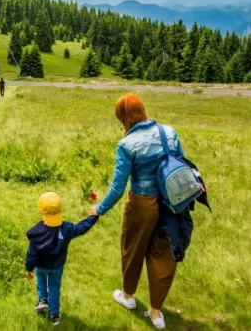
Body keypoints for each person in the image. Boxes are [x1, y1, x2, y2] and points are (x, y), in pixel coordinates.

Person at [90, 93, 184, 330]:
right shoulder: (169, 132)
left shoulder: (126, 144)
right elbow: (181, 163)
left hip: (142, 203)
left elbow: (118, 186)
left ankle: (128, 296)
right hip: (171, 203)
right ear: (142, 110)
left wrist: (99, 209)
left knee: (132, 249)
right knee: (163, 255)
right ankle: (156, 313)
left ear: (123, 117)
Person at [25, 192, 99, 326]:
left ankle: (42, 300)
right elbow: (81, 228)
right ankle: (55, 316)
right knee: (54, 287)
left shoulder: (37, 231)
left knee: (40, 278)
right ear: (60, 209)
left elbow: (32, 254)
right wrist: (93, 217)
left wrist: (29, 268)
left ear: (41, 210)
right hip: (57, 266)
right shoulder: (66, 228)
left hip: (41, 266)